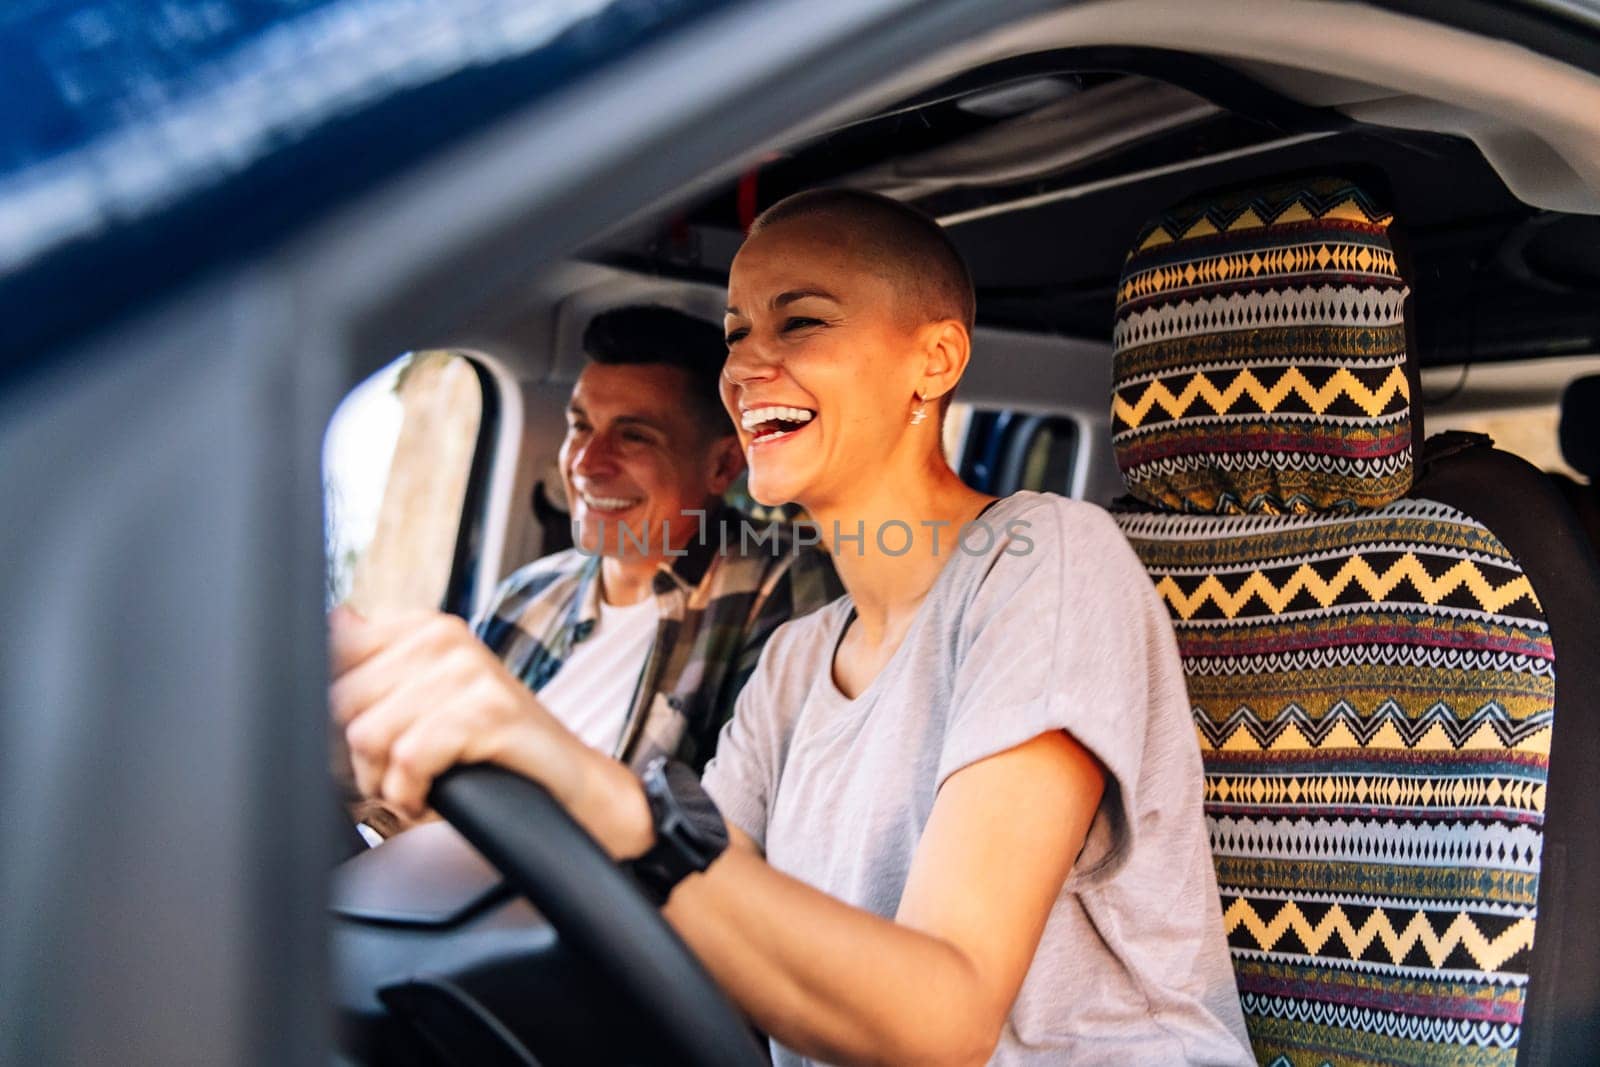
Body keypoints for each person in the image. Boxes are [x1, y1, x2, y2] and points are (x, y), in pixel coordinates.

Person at [331, 191, 1251, 1064]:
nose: (743, 366)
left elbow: (947, 1022)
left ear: (933, 361)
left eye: (800, 321)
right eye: (737, 333)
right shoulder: (796, 660)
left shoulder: (1045, 558)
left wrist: (585, 787)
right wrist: (432, 805)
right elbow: (674, 930)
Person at [348, 305, 842, 838]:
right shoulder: (528, 595)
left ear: (722, 465)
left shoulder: (783, 587)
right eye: (580, 426)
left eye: (634, 437)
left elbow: (739, 839)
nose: (586, 462)